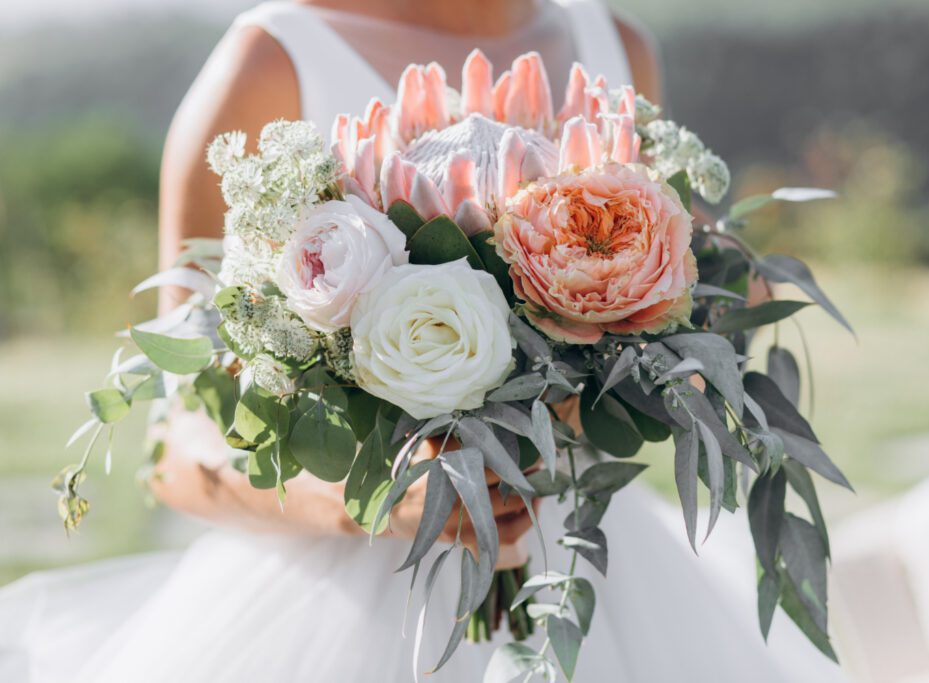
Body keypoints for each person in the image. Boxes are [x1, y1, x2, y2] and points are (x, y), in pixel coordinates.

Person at [0, 1, 849, 680]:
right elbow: (171, 441)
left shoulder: (618, 42)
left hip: (594, 570)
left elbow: (670, 305)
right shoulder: (269, 61)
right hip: (350, 609)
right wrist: (375, 501)